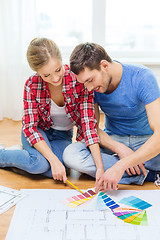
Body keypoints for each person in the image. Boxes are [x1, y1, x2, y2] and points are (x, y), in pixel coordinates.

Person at [0, 38, 104, 184]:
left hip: (62, 135)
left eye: (58, 70)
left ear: (62, 61)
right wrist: (53, 160)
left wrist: (99, 167)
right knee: (38, 164)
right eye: (46, 75)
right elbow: (30, 128)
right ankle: (3, 155)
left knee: (53, 172)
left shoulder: (78, 80)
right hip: (38, 131)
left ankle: (24, 155)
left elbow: (88, 124)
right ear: (37, 72)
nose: (55, 78)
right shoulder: (31, 85)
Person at [63, 42, 160, 191]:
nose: (88, 88)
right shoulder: (90, 88)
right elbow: (92, 128)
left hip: (146, 140)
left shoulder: (142, 77)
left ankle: (124, 170)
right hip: (114, 139)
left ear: (105, 66)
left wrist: (121, 164)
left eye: (90, 80)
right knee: (71, 154)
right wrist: (119, 148)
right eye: (84, 83)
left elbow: (158, 134)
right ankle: (147, 173)